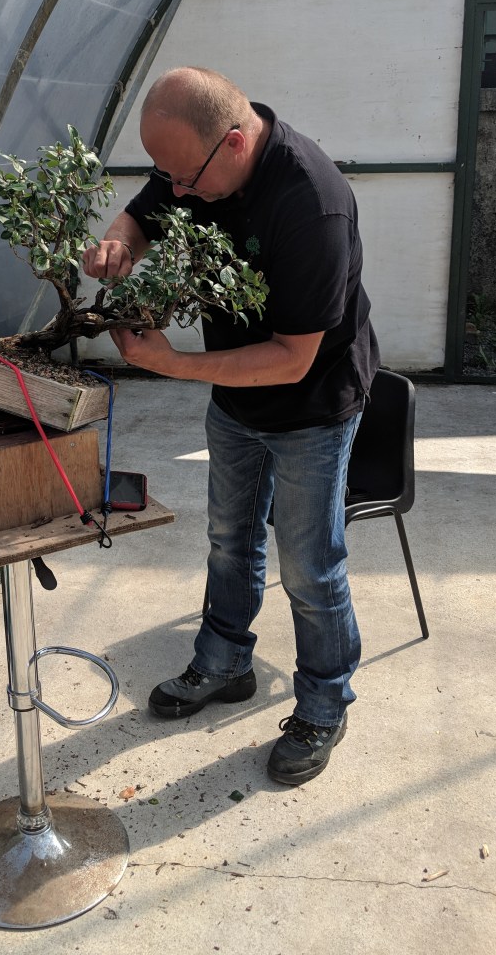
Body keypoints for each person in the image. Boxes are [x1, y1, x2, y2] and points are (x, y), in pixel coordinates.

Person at [82, 67, 379, 785]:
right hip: (237, 399)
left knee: (309, 565)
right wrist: (120, 243)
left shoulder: (313, 206)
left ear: (236, 143)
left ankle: (324, 704)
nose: (177, 192)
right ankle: (223, 663)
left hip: (312, 405)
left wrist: (171, 364)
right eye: (168, 175)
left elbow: (291, 359)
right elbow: (143, 213)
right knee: (229, 538)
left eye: (185, 178)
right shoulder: (195, 163)